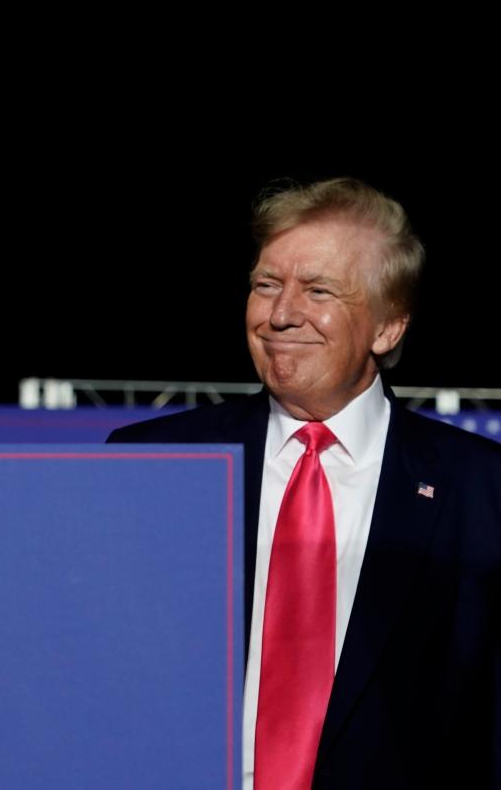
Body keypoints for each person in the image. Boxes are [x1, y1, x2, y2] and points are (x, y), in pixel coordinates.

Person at [109, 178, 500, 789]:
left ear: (387, 328)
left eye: (318, 290)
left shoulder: (482, 491)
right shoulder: (150, 463)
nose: (280, 313)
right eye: (267, 285)